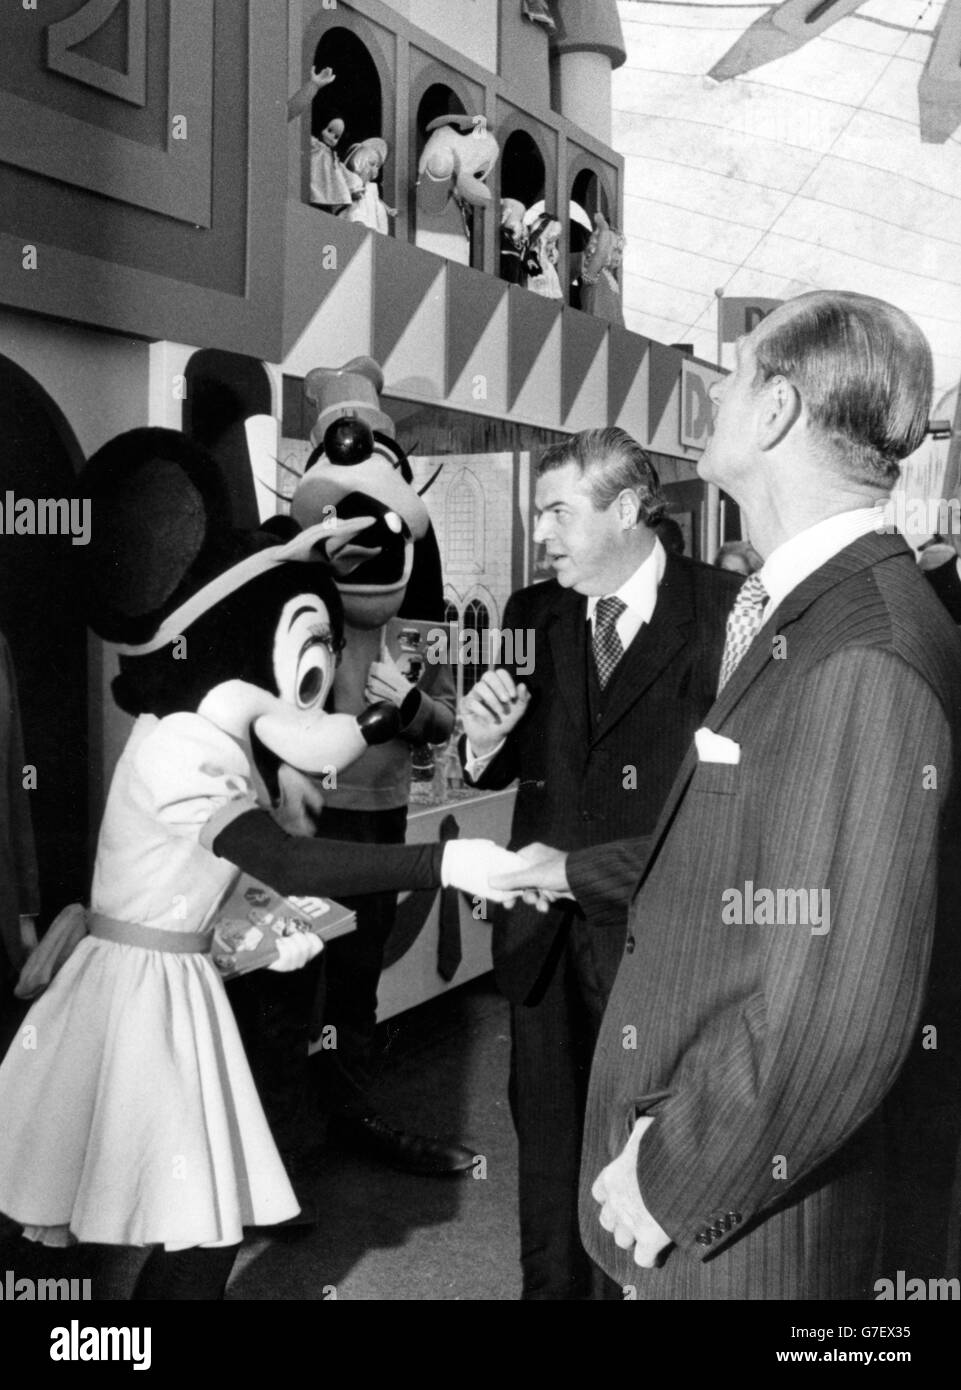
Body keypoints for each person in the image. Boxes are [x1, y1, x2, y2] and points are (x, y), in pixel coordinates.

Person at [493, 291, 961, 1299]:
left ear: (778, 410)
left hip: (741, 1232)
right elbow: (747, 870)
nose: (714, 386)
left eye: (736, 370)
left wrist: (666, 1180)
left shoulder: (861, 653)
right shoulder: (820, 613)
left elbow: (837, 1004)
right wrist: (569, 868)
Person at [458, 427, 739, 1299]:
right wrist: (479, 737)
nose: (540, 535)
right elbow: (498, 765)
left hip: (660, 941)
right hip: (541, 943)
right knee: (547, 1157)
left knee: (651, 1158)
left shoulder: (729, 613)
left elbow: (736, 794)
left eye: (556, 512)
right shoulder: (529, 615)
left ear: (625, 509)